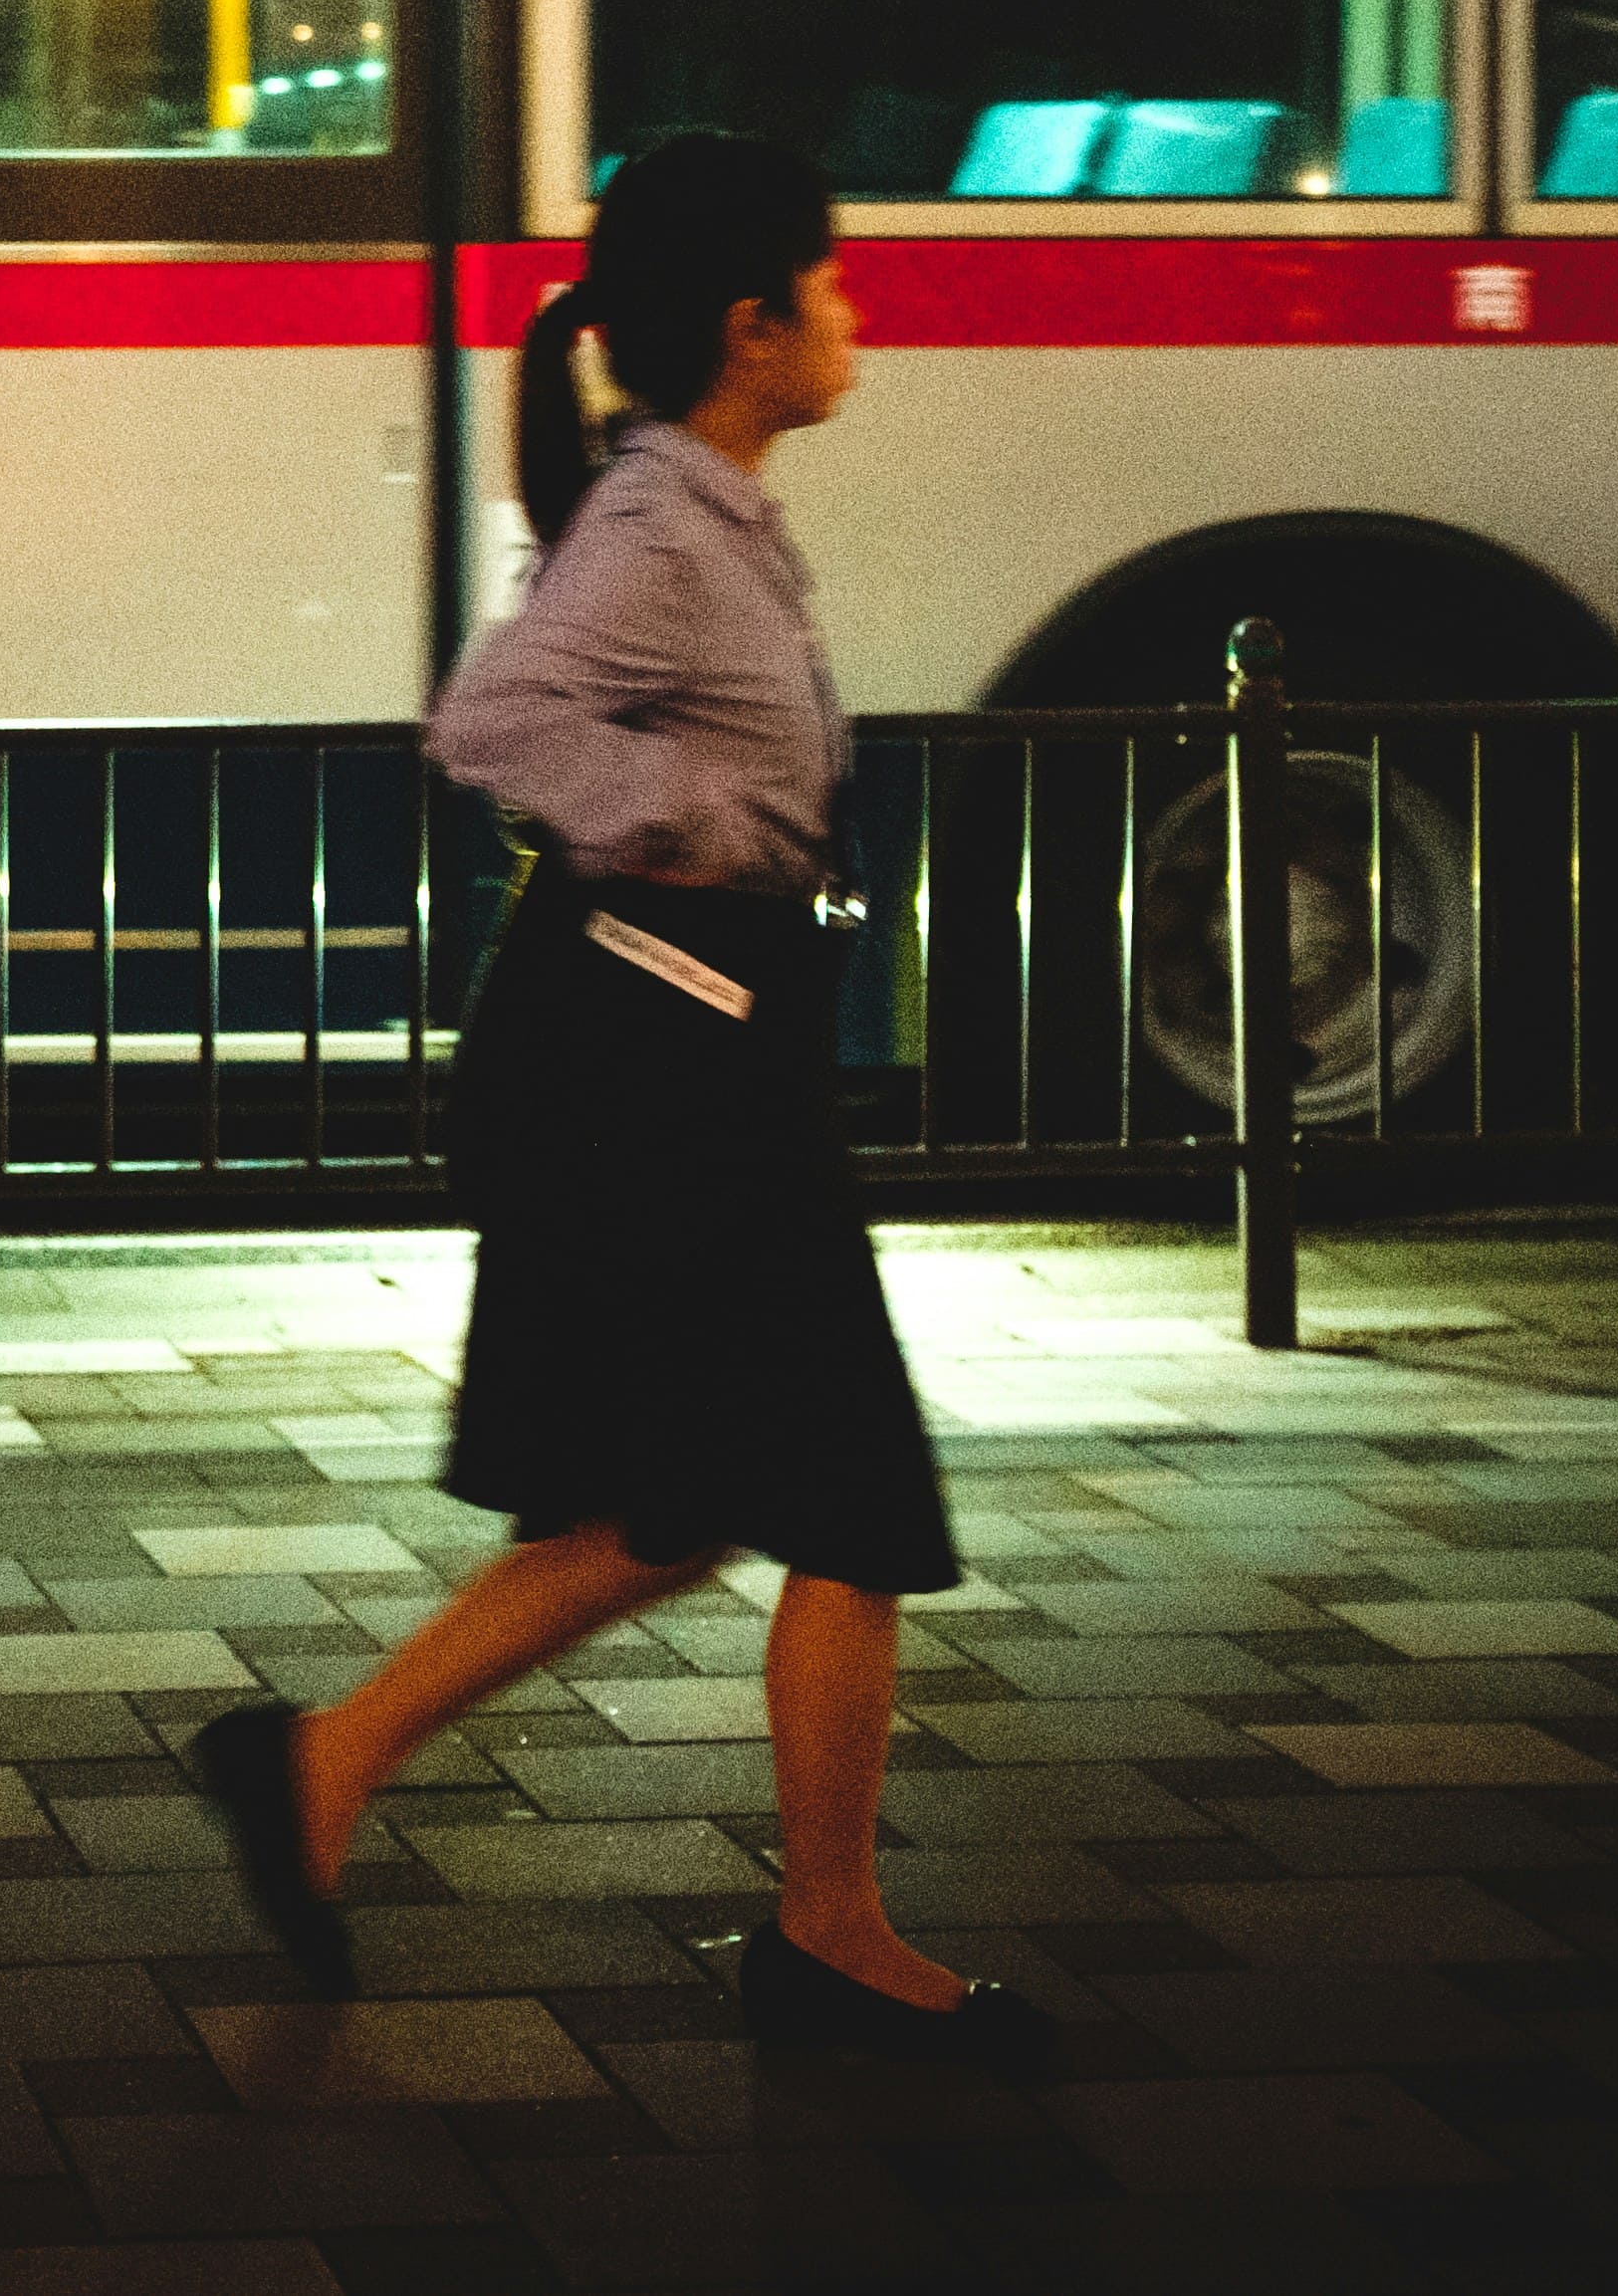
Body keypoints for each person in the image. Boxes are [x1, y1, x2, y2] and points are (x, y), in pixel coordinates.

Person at [188, 130, 1051, 2076]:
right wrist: (693, 823)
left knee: (668, 1512)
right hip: (670, 1066)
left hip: (694, 1060)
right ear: (752, 327)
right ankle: (828, 1930)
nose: (857, 315)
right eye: (829, 286)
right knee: (843, 1495)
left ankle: (322, 1767)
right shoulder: (660, 524)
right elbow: (489, 719)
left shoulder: (706, 505)